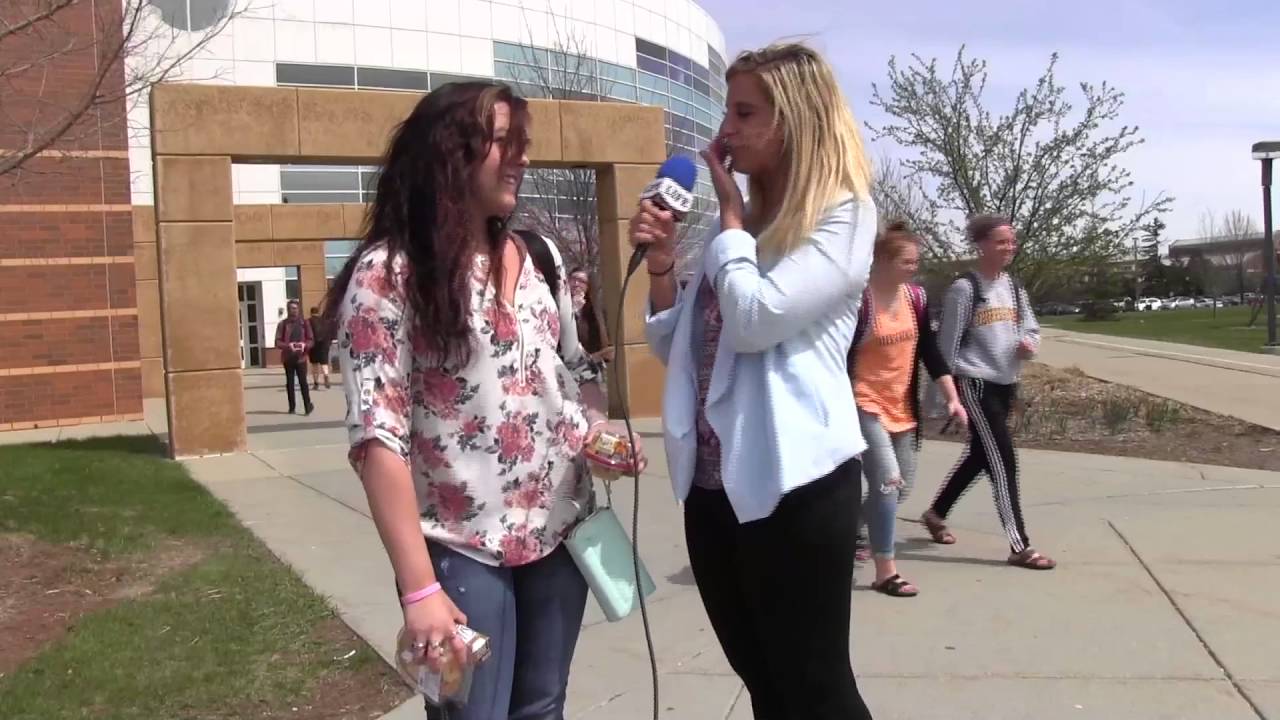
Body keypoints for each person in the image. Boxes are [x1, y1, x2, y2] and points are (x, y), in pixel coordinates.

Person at [325, 81, 642, 720]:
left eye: (523, 143)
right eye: (503, 142)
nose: (521, 157)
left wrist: (599, 431)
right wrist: (419, 590)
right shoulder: (388, 274)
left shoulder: (540, 258)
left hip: (561, 535)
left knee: (543, 709)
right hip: (459, 550)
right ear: (449, 153)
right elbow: (377, 438)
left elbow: (573, 371)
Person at [633, 43, 877, 719]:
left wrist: (732, 225)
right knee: (764, 682)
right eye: (727, 112)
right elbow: (678, 345)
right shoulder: (738, 226)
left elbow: (755, 320)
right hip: (713, 489)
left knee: (815, 689)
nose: (727, 129)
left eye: (744, 113)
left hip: (795, 484)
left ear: (793, 120)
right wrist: (662, 266)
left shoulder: (843, 214)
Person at [922, 214, 1057, 570]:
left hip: (1005, 383)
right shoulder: (965, 289)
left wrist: (1029, 343)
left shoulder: (1014, 287)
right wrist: (941, 398)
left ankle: (936, 513)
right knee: (1003, 460)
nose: (1009, 247)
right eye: (1001, 242)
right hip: (975, 382)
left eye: (1011, 242)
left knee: (982, 455)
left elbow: (1031, 327)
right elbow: (946, 346)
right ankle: (1019, 545)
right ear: (981, 245)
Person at [848, 221, 967, 597]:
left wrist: (952, 398)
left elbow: (929, 351)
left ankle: (847, 530)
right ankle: (886, 571)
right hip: (863, 400)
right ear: (883, 260)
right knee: (887, 482)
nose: (915, 267)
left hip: (902, 405)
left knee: (902, 489)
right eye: (908, 261)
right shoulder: (860, 301)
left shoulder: (915, 298)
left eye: (917, 261)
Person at [274, 300, 314, 415]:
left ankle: (307, 406)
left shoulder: (304, 323)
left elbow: (311, 339)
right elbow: (277, 342)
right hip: (288, 357)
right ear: (288, 309)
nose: (294, 310)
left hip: (301, 357)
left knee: (303, 382)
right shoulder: (282, 324)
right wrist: (288, 346)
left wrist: (304, 345)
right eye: (292, 308)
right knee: (290, 383)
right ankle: (292, 407)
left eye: (296, 308)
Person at [568, 268, 613, 366]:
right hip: (567, 364)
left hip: (592, 365)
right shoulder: (560, 305)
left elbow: (605, 344)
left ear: (588, 286)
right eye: (573, 279)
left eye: (581, 281)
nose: (576, 283)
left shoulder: (596, 311)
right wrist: (574, 310)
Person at [307, 306, 334, 390]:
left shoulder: (308, 321)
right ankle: (326, 375)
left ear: (311, 313)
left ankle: (316, 383)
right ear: (318, 312)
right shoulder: (325, 321)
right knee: (324, 363)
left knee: (314, 365)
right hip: (324, 345)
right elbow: (330, 333)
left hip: (313, 346)